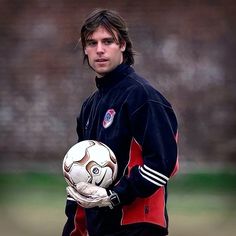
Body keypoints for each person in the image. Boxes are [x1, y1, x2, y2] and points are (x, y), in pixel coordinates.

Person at [62, 8, 179, 236]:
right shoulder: (89, 106)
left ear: (123, 45)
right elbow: (79, 177)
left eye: (108, 41)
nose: (100, 50)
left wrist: (115, 196)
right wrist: (74, 230)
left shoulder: (143, 96)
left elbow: (164, 164)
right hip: (100, 229)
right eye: (92, 43)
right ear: (85, 49)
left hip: (137, 227)